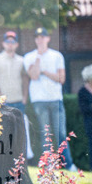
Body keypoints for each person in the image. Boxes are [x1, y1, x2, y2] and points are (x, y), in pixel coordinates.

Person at [24, 27, 75, 170]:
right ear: (35, 40)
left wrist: (45, 71)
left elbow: (61, 78)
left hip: (55, 99)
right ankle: (48, 165)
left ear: (48, 39)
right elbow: (33, 75)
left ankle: (68, 164)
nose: (40, 39)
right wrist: (38, 61)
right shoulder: (29, 57)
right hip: (39, 100)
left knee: (61, 133)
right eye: (37, 37)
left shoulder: (56, 56)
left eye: (43, 37)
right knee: (45, 133)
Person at [0, 30, 34, 161]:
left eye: (12, 42)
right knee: (5, 132)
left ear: (16, 44)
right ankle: (6, 160)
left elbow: (25, 80)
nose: (10, 44)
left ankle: (22, 159)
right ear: (3, 43)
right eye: (7, 41)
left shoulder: (22, 60)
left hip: (19, 101)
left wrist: (25, 97)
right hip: (4, 103)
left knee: (21, 133)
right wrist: (0, 100)